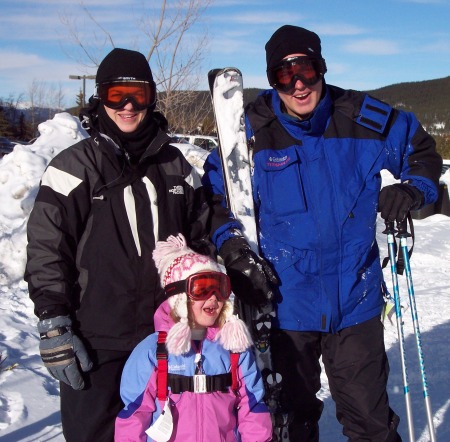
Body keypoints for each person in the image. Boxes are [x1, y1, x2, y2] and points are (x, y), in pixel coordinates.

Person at [202, 25, 443, 441]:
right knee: (291, 422)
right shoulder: (248, 134)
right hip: (284, 304)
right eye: (284, 74)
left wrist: (412, 189)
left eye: (307, 70)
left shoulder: (363, 117)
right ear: (272, 77)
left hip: (356, 301)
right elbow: (212, 198)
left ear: (321, 69)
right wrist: (233, 245)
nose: (298, 85)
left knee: (369, 420)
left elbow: (420, 153)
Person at [24, 48, 214, 442]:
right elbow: (47, 247)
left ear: (151, 98)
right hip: (97, 339)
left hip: (166, 333)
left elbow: (202, 234)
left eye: (138, 95)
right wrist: (54, 321)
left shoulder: (175, 165)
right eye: (116, 95)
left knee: (170, 431)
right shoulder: (74, 167)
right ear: (100, 97)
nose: (128, 106)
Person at [115, 233, 272, 441]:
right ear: (179, 297)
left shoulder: (234, 349)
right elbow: (135, 414)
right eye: (203, 289)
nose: (214, 298)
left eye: (220, 288)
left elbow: (251, 408)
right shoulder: (152, 352)